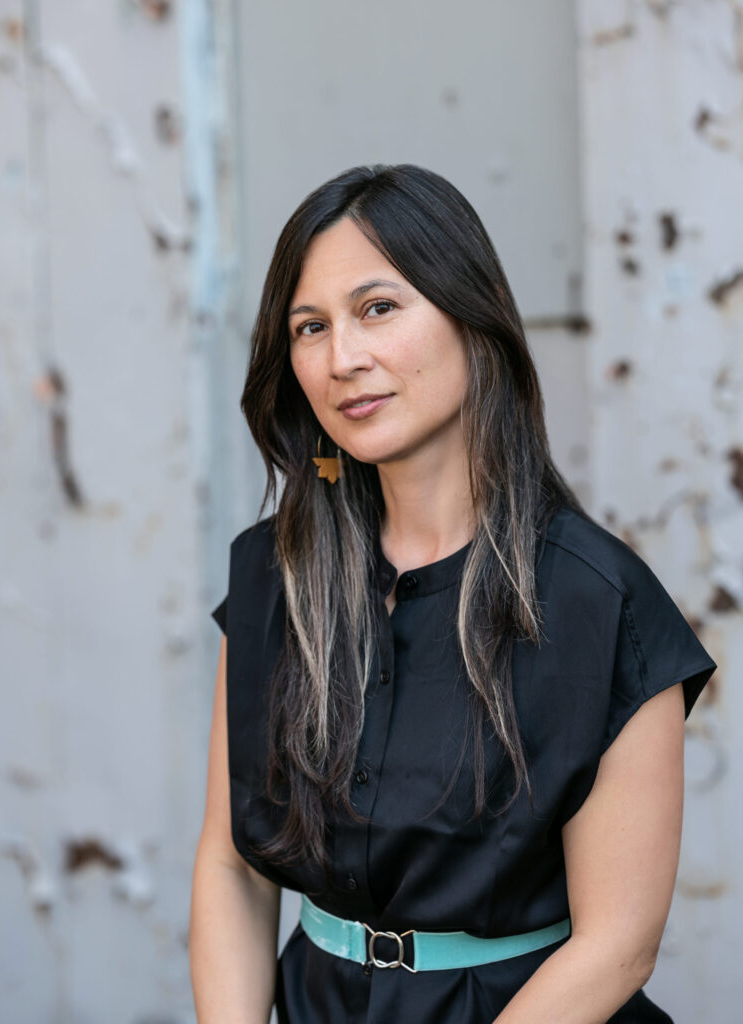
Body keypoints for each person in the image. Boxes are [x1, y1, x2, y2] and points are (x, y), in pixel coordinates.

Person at [188, 163, 717, 1023]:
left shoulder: (599, 603)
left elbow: (618, 942)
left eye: (377, 309)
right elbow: (229, 865)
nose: (342, 358)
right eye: (309, 327)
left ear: (473, 318)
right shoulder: (272, 575)